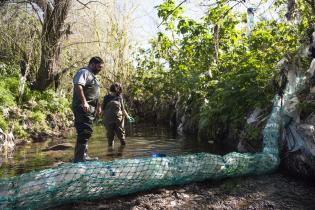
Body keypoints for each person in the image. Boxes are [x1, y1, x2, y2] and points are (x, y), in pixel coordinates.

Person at [72, 56, 104, 163]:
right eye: (99, 67)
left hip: (90, 109)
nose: (100, 69)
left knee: (86, 131)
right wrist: (84, 102)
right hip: (82, 107)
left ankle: (84, 156)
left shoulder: (93, 77)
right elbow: (78, 86)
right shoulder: (84, 72)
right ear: (92, 64)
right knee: (84, 131)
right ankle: (79, 158)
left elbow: (95, 94)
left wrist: (99, 106)